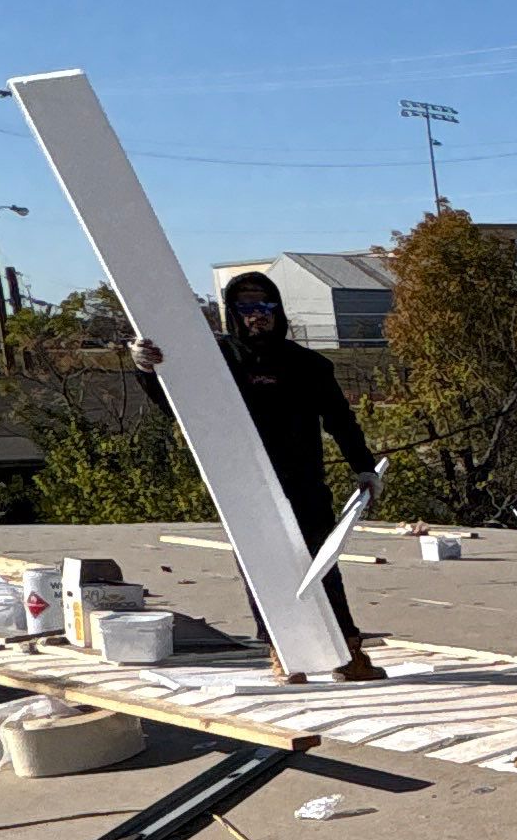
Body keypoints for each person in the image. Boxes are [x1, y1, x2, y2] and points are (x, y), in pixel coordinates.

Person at [130, 275, 385, 679]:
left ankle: (347, 651)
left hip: (303, 482)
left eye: (265, 307)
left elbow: (341, 420)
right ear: (233, 314)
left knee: (321, 564)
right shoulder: (218, 363)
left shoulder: (307, 365)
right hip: (245, 485)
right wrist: (147, 370)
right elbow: (181, 407)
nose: (258, 317)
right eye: (247, 308)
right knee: (261, 569)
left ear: (277, 311)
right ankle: (283, 652)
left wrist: (364, 467)